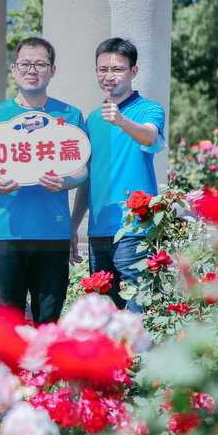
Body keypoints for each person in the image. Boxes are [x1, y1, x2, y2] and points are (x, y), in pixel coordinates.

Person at [0, 37, 88, 323]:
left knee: (49, 320)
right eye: (25, 64)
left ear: (53, 70)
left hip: (52, 233)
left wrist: (65, 181)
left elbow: (82, 170)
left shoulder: (70, 116)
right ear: (14, 69)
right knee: (8, 320)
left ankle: (46, 370)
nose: (32, 70)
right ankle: (11, 370)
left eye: (40, 64)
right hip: (5, 232)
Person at [71, 38, 165, 313]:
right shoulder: (92, 119)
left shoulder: (149, 109)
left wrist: (122, 120)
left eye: (117, 69)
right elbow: (87, 178)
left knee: (139, 316)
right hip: (99, 230)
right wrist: (73, 225)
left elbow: (150, 136)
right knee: (105, 319)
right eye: (102, 69)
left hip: (134, 231)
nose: (108, 76)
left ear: (133, 72)